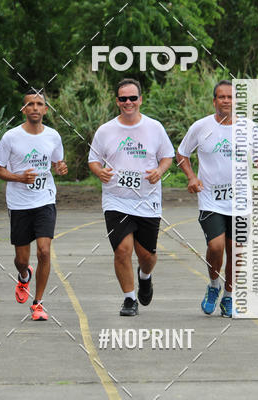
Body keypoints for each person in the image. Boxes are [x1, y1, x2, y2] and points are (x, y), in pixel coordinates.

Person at [177, 80, 258, 317]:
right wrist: (191, 177)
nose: (226, 100)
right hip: (211, 199)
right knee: (215, 246)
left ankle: (228, 296)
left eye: (231, 96)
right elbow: (182, 153)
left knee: (235, 250)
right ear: (214, 101)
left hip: (241, 201)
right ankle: (213, 285)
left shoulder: (249, 128)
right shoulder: (201, 126)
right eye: (222, 97)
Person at [88, 78, 174, 317]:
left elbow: (167, 156)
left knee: (147, 255)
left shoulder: (154, 127)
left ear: (140, 100)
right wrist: (99, 172)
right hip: (116, 199)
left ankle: (145, 276)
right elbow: (93, 160)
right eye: (123, 98)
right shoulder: (105, 130)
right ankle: (129, 298)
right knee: (122, 250)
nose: (128, 102)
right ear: (117, 101)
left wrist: (159, 171)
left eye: (132, 98)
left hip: (147, 200)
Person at [0, 89, 67, 321]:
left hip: (45, 200)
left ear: (46, 109)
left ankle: (38, 303)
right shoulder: (11, 137)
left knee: (44, 251)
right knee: (22, 260)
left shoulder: (53, 136)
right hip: (19, 203)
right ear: (24, 109)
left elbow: (57, 162)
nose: (35, 108)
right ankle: (24, 276)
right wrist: (18, 178)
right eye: (30, 104)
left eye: (39, 104)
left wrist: (60, 168)